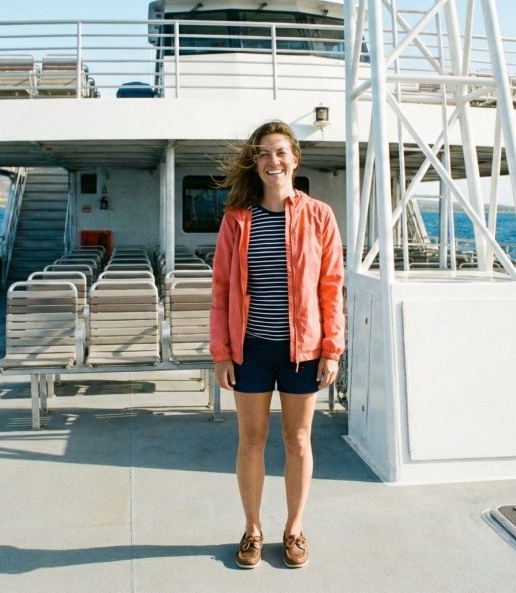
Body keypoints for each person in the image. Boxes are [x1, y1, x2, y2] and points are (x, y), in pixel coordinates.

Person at [210, 120, 345, 569]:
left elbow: (331, 286)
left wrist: (331, 348)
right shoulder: (236, 218)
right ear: (256, 162)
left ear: (295, 158)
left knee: (298, 440)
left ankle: (294, 528)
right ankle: (252, 529)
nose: (273, 161)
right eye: (264, 153)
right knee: (251, 440)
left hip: (301, 350)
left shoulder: (319, 215)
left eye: (281, 152)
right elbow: (222, 288)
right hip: (249, 348)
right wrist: (222, 352)